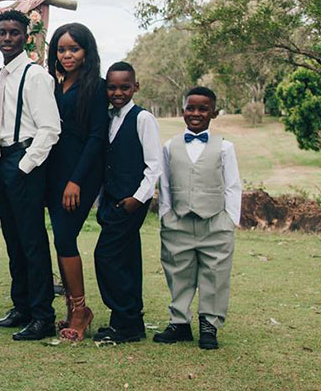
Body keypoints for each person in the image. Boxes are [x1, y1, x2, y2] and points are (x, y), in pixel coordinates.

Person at [0, 10, 61, 341]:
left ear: (25, 37)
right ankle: (22, 308)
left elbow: (50, 129)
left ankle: (43, 315)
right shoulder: (1, 75)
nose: (7, 38)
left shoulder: (35, 76)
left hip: (23, 160)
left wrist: (24, 165)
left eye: (14, 33)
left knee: (32, 241)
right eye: (2, 32)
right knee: (13, 239)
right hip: (0, 160)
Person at [154, 86, 241, 350]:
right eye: (191, 108)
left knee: (215, 274)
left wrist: (230, 219)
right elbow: (165, 184)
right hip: (178, 220)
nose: (196, 113)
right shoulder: (170, 146)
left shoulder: (225, 147)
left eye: (203, 109)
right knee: (178, 271)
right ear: (183, 111)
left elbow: (232, 185)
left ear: (213, 113)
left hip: (215, 221)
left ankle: (209, 325)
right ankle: (179, 323)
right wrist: (166, 214)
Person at [44, 22, 108, 342]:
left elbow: (98, 137)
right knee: (60, 240)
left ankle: (81, 310)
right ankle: (73, 307)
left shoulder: (95, 86)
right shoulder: (54, 85)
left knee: (66, 238)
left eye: (74, 49)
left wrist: (76, 181)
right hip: (53, 173)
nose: (67, 55)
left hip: (80, 176)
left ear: (86, 52)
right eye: (61, 49)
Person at [92, 61, 162, 343]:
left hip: (131, 200)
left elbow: (154, 165)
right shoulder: (108, 117)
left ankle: (125, 316)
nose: (117, 92)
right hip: (112, 199)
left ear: (136, 87)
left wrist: (138, 198)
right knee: (127, 259)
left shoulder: (143, 119)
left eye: (124, 87)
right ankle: (128, 322)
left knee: (106, 257)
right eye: (112, 87)